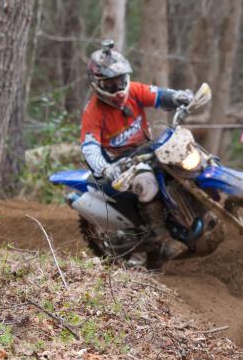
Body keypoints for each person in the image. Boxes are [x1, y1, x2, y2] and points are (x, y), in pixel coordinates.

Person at [80, 39, 198, 253]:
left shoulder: (133, 91)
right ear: (96, 83)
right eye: (110, 83)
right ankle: (161, 238)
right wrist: (105, 168)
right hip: (119, 162)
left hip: (147, 147)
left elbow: (158, 95)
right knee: (146, 181)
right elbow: (90, 148)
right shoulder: (93, 111)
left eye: (120, 80)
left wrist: (177, 97)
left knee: (181, 156)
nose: (117, 87)